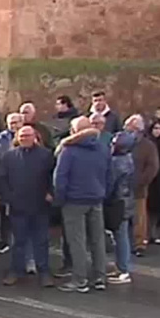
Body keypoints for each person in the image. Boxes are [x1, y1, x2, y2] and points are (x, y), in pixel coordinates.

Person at [53, 117, 111, 293]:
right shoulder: (102, 148)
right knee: (97, 240)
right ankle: (100, 277)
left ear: (74, 130)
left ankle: (80, 279)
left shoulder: (69, 150)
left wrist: (60, 199)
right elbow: (110, 174)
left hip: (74, 200)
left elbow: (60, 179)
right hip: (96, 199)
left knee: (77, 241)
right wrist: (103, 192)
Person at [0, 126, 55, 287]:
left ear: (35, 136)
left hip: (40, 205)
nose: (24, 138)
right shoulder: (9, 156)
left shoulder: (46, 155)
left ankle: (44, 272)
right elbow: (1, 179)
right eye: (21, 136)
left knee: (41, 241)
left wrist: (51, 193)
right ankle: (15, 271)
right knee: (18, 241)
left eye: (28, 135)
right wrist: (9, 197)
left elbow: (53, 176)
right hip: (18, 206)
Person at [125, 115, 160, 256]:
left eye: (128, 127)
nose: (125, 129)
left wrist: (141, 182)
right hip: (123, 186)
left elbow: (153, 167)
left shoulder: (148, 146)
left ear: (137, 129)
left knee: (139, 217)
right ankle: (124, 243)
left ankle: (139, 244)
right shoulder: (123, 142)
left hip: (139, 187)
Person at [105, 132, 136, 285]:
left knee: (120, 236)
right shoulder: (129, 159)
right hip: (127, 201)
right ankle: (122, 267)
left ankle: (123, 270)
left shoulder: (116, 163)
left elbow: (110, 184)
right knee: (123, 235)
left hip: (118, 202)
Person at [0, 113, 25, 255]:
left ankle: (21, 241)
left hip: (24, 181)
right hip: (5, 179)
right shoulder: (1, 139)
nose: (14, 125)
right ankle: (4, 240)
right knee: (4, 214)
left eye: (16, 122)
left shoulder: (28, 135)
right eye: (11, 122)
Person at [146, 119, 160, 245]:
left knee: (156, 209)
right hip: (150, 180)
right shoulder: (148, 143)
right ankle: (147, 234)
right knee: (147, 209)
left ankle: (153, 234)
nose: (158, 131)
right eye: (155, 128)